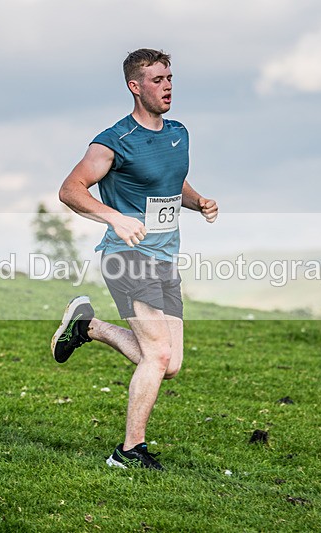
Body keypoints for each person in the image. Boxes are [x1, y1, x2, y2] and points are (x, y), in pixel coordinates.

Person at [51, 48, 218, 471]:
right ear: (135, 86)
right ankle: (128, 452)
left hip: (163, 259)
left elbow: (171, 182)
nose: (167, 87)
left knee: (170, 364)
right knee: (157, 355)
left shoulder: (178, 132)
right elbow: (70, 190)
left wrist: (197, 202)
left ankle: (88, 327)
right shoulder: (113, 141)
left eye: (170, 79)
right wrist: (114, 218)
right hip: (126, 257)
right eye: (158, 80)